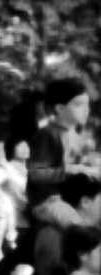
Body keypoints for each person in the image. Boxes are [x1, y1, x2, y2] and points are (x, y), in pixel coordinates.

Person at [28, 78, 97, 207]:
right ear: (59, 108)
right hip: (49, 200)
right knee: (77, 224)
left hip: (75, 198)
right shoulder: (48, 134)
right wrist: (70, 170)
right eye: (78, 104)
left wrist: (89, 164)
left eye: (87, 105)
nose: (86, 110)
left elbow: (81, 166)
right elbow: (35, 174)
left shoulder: (77, 135)